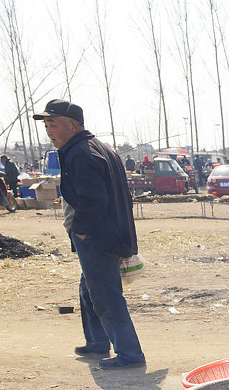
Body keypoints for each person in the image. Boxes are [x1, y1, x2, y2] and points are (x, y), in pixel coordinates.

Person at [34, 99, 145, 370]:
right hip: (109, 232)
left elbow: (94, 200)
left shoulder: (81, 152)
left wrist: (81, 231)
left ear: (73, 125)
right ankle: (97, 343)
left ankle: (130, 354)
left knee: (106, 296)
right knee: (89, 289)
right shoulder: (97, 147)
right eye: (46, 124)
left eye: (54, 124)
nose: (49, 130)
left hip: (98, 236)